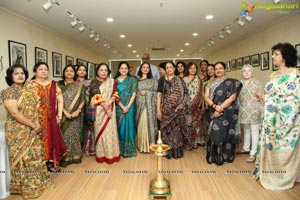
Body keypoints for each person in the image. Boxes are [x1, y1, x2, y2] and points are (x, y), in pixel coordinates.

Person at [1, 64, 52, 199]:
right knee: (24, 158)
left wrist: (36, 124)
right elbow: (14, 113)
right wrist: (32, 125)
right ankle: (24, 188)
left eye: (22, 73)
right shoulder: (9, 92)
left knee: (35, 156)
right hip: (17, 131)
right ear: (11, 77)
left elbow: (35, 110)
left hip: (32, 129)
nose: (20, 75)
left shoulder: (29, 91)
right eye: (16, 73)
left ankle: (37, 185)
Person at [254, 43, 300, 190]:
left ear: (285, 57)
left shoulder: (295, 76)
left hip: (285, 121)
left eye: (276, 54)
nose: (273, 56)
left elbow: (294, 100)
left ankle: (283, 176)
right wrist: (264, 96)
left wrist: (269, 100)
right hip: (270, 121)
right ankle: (269, 172)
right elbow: (276, 94)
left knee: (284, 147)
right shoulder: (274, 75)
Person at [204, 61, 242, 165]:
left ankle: (226, 156)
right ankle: (214, 157)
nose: (218, 70)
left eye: (220, 68)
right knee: (214, 133)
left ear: (225, 70)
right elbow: (206, 97)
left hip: (227, 111)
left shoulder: (233, 82)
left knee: (226, 133)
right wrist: (215, 107)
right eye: (216, 69)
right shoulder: (210, 82)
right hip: (212, 110)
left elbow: (232, 97)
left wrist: (220, 108)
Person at [31, 62, 67, 172]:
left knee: (52, 140)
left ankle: (51, 163)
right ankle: (39, 165)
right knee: (38, 141)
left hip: (51, 118)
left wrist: (59, 116)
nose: (43, 71)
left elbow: (60, 101)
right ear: (35, 71)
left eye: (45, 69)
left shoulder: (54, 84)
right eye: (40, 69)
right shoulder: (30, 85)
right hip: (35, 119)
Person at [157, 61, 193, 159]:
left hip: (178, 110)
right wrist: (158, 110)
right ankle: (167, 151)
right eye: (167, 68)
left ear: (174, 69)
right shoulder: (162, 80)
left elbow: (185, 94)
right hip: (165, 110)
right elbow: (159, 96)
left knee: (176, 132)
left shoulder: (180, 80)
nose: (169, 69)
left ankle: (176, 152)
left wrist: (181, 105)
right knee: (166, 131)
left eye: (170, 67)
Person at [90, 63, 121, 164]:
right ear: (97, 72)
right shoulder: (94, 82)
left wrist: (110, 101)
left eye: (105, 70)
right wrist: (106, 108)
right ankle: (101, 155)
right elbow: (96, 94)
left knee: (110, 132)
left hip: (111, 107)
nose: (104, 72)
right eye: (101, 70)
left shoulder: (112, 82)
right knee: (101, 132)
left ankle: (112, 155)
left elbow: (116, 93)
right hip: (99, 109)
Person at [58, 65, 85, 167]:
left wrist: (78, 110)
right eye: (67, 71)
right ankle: (63, 158)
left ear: (75, 73)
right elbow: (57, 101)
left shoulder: (80, 86)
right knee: (63, 136)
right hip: (62, 115)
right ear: (64, 73)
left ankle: (75, 157)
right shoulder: (58, 86)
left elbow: (82, 100)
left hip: (75, 115)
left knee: (74, 135)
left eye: (71, 71)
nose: (69, 73)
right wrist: (64, 112)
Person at [237, 64, 263, 162]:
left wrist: (261, 110)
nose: (247, 72)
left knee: (255, 131)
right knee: (246, 130)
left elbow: (261, 96)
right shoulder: (239, 83)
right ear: (242, 72)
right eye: (244, 71)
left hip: (254, 110)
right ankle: (246, 148)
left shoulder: (257, 82)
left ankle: (253, 153)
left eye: (249, 71)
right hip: (243, 110)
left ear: (252, 72)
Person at [115, 61, 137, 157]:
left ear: (128, 70)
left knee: (129, 127)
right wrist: (122, 106)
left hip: (130, 106)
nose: (124, 70)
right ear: (119, 69)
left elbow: (134, 93)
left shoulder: (132, 79)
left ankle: (129, 151)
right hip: (118, 106)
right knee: (120, 128)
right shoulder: (114, 81)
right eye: (122, 68)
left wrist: (128, 106)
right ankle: (120, 150)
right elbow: (114, 95)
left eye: (126, 68)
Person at [135, 62, 158, 153]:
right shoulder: (136, 80)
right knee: (141, 124)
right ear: (140, 69)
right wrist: (139, 94)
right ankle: (141, 145)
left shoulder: (153, 80)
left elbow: (156, 93)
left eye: (147, 67)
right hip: (140, 105)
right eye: (143, 67)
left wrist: (147, 93)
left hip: (150, 107)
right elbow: (134, 93)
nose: (145, 69)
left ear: (149, 69)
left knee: (149, 124)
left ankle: (149, 145)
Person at [183, 62, 205, 148]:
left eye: (194, 68)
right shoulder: (184, 79)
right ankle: (189, 141)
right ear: (187, 69)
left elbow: (201, 92)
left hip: (198, 103)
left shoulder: (198, 79)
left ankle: (197, 141)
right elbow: (183, 93)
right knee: (188, 122)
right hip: (188, 104)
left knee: (197, 123)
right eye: (191, 68)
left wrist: (202, 103)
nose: (193, 70)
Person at [76, 64, 94, 155]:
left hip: (88, 105)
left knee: (87, 125)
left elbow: (94, 93)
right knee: (78, 126)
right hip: (76, 106)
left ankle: (87, 147)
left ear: (86, 72)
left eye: (84, 70)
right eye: (80, 70)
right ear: (77, 71)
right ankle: (78, 147)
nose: (82, 72)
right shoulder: (74, 82)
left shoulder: (90, 82)